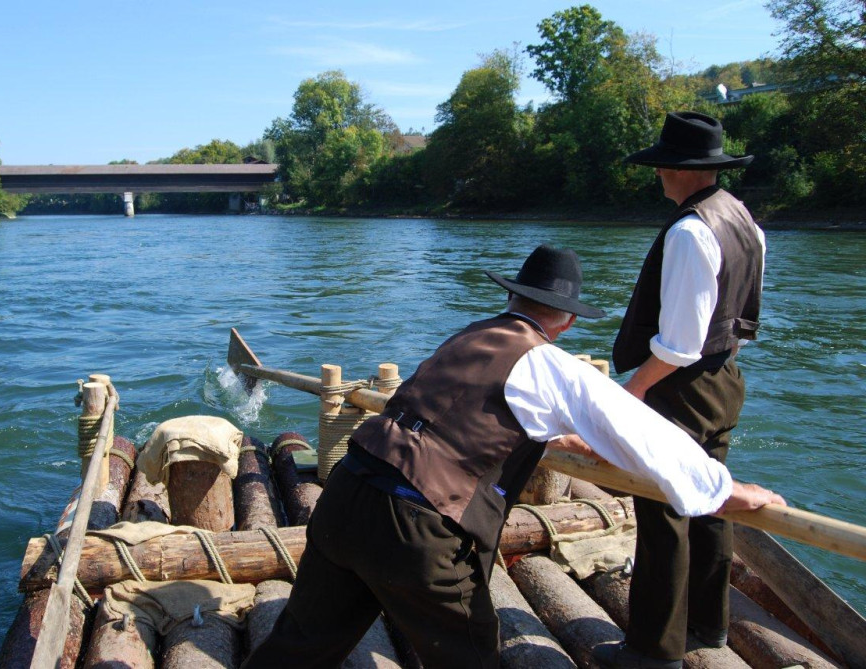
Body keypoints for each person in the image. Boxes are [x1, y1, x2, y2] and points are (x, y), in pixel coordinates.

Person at [243, 244, 783, 669]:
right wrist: (727, 490)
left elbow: (456, 417)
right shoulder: (550, 363)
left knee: (299, 648)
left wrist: (552, 438)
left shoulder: (467, 338)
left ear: (512, 300)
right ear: (566, 321)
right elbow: (645, 434)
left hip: (346, 498)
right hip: (415, 528)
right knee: (471, 658)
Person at [594, 112, 767, 669]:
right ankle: (707, 625)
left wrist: (634, 389)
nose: (658, 177)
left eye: (661, 168)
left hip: (681, 386)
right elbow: (735, 319)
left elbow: (679, 343)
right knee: (710, 500)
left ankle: (653, 650)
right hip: (723, 381)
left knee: (665, 509)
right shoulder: (744, 219)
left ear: (677, 169)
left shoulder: (692, 230)